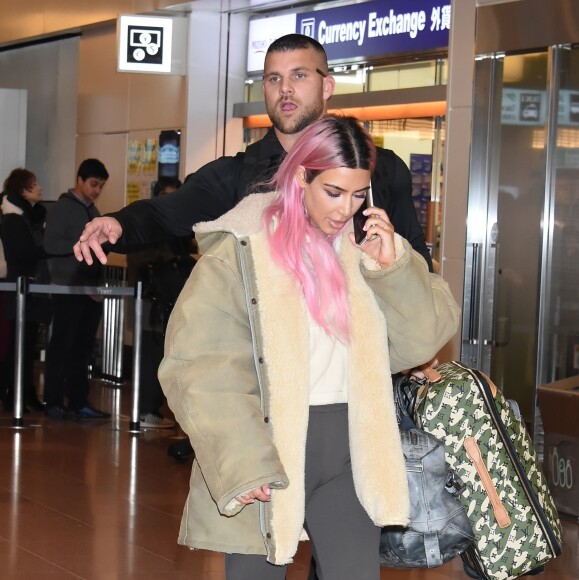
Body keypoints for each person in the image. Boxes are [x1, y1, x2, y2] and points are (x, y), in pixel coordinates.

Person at [158, 115, 460, 580]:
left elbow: (422, 339)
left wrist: (394, 269)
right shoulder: (242, 248)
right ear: (302, 176)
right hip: (268, 443)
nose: (346, 209)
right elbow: (199, 364)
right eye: (333, 192)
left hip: (351, 443)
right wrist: (242, 459)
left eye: (359, 194)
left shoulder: (362, 251)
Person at [72, 34, 432, 274]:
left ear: (327, 86)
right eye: (274, 79)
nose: (285, 89)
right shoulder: (240, 174)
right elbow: (167, 213)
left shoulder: (379, 169)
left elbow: (416, 257)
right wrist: (118, 223)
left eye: (299, 75)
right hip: (268, 367)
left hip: (358, 362)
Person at [42, 159, 111, 420]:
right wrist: (82, 244)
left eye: (101, 186)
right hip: (67, 288)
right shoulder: (62, 208)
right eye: (94, 184)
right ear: (79, 180)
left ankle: (78, 400)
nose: (96, 190)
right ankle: (53, 400)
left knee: (82, 347)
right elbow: (50, 246)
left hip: (89, 290)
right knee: (62, 344)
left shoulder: (93, 210)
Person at [126, 176, 196, 428]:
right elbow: (137, 259)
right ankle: (146, 410)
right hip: (149, 299)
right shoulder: (147, 221)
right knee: (150, 355)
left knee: (164, 355)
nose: (172, 201)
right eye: (167, 195)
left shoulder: (179, 224)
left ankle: (153, 408)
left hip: (171, 300)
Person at [0, 168, 50, 412]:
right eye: (34, 184)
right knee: (16, 345)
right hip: (18, 288)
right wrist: (48, 248)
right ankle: (12, 394)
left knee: (28, 343)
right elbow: (23, 253)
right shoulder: (14, 218)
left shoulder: (32, 216)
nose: (39, 187)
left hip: (31, 287)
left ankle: (25, 392)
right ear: (22, 190)